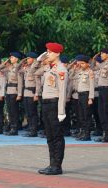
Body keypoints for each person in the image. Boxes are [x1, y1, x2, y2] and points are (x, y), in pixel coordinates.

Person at [38, 42, 68, 175]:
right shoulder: (49, 68)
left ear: (57, 53)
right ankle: (51, 164)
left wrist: (61, 111)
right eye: (47, 52)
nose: (47, 54)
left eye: (50, 52)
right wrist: (41, 58)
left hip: (55, 105)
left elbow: (62, 92)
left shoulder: (61, 69)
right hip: (45, 104)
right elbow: (33, 70)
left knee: (57, 136)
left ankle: (57, 166)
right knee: (49, 136)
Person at [92, 48, 108, 142]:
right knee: (101, 112)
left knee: (107, 113)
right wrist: (94, 58)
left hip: (107, 90)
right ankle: (104, 133)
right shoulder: (102, 65)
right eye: (101, 53)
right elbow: (92, 67)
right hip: (101, 90)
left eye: (102, 53)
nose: (101, 55)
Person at [19, 52, 40, 137]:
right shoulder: (26, 68)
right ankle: (30, 128)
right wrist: (22, 61)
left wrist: (37, 94)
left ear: (34, 59)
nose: (27, 60)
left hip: (32, 93)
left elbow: (38, 82)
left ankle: (34, 130)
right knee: (28, 112)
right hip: (26, 93)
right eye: (26, 58)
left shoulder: (35, 68)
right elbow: (17, 70)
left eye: (28, 58)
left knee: (32, 112)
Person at [76, 55, 95, 141]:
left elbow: (91, 86)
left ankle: (87, 135)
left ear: (88, 64)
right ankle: (83, 132)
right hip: (80, 95)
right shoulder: (80, 71)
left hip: (86, 95)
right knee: (81, 115)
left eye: (83, 63)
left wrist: (91, 98)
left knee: (87, 115)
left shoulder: (90, 72)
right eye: (81, 63)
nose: (81, 65)